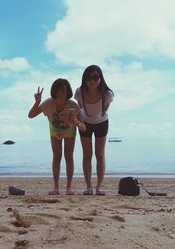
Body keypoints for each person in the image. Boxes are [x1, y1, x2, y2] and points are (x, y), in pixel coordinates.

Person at [28, 78, 86, 195]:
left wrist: (76, 122)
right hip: (54, 130)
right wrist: (37, 102)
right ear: (53, 91)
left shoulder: (73, 105)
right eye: (57, 91)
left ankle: (69, 187)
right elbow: (31, 115)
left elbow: (83, 127)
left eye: (63, 91)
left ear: (67, 92)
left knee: (68, 157)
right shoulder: (48, 103)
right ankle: (56, 187)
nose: (60, 93)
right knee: (56, 157)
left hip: (69, 130)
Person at [74, 65, 114, 196]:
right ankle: (89, 187)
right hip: (84, 123)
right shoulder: (79, 92)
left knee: (100, 155)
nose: (92, 80)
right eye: (89, 77)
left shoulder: (107, 94)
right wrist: (81, 121)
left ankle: (99, 187)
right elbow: (80, 108)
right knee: (87, 155)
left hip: (101, 123)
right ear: (84, 79)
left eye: (96, 77)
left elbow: (105, 109)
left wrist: (96, 117)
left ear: (101, 79)